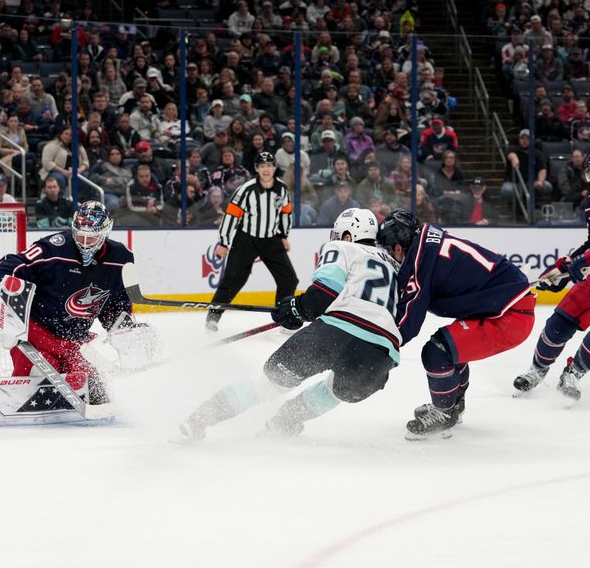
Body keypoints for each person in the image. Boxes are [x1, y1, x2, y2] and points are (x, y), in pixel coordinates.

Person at [0, 202, 157, 428]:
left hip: (72, 344)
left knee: (95, 390)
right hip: (35, 338)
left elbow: (115, 303)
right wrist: (4, 297)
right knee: (31, 384)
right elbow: (7, 267)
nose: (85, 244)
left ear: (105, 232)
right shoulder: (54, 248)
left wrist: (124, 329)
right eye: (80, 236)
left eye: (92, 238)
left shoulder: (120, 258)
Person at [176, 209, 401, 442]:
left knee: (270, 384)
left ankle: (197, 421)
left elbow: (321, 297)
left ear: (347, 235)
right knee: (336, 390)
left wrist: (295, 308)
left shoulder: (344, 248)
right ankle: (282, 423)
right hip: (379, 353)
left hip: (335, 333)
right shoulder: (396, 267)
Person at [376, 209, 536, 439]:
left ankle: (444, 412)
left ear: (399, 245)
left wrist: (382, 348)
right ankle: (454, 404)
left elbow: (409, 320)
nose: (392, 255)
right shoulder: (427, 241)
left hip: (510, 317)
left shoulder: (421, 260)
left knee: (437, 351)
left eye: (390, 248)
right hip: (507, 307)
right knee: (454, 348)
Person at [513, 153, 590, 404]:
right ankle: (538, 370)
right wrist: (567, 264)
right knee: (560, 321)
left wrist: (586, 259)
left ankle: (574, 372)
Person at [205, 151, 299, 331]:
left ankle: (283, 318)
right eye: (262, 166)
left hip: (271, 239)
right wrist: (224, 243)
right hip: (246, 239)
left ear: (274, 168)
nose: (266, 169)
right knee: (233, 279)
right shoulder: (247, 189)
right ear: (257, 168)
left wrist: (283, 235)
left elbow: (286, 213)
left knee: (289, 279)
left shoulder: (281, 188)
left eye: (269, 165)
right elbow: (231, 216)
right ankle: (213, 318)